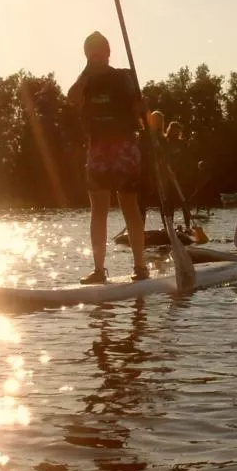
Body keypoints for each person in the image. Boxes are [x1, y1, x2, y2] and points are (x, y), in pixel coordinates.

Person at [67, 32, 149, 283]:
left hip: (123, 145)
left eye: (100, 51)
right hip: (98, 147)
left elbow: (139, 111)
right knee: (98, 209)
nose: (96, 55)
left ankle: (140, 266)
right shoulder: (85, 80)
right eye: (91, 52)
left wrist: (142, 108)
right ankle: (99, 270)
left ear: (108, 52)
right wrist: (86, 72)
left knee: (129, 206)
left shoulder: (122, 77)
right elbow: (71, 99)